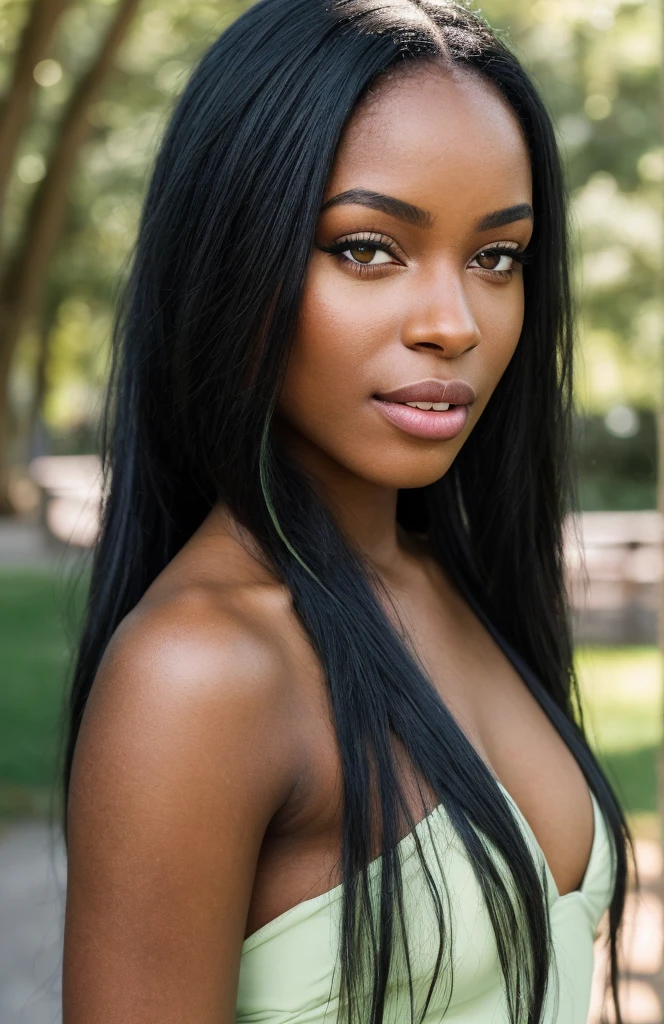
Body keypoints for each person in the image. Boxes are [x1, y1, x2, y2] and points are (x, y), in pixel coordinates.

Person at [60, 1, 634, 1021]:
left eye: (495, 257)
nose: (452, 323)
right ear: (233, 254)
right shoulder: (200, 672)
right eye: (368, 248)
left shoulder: (452, 585)